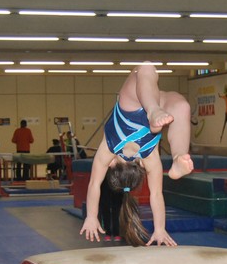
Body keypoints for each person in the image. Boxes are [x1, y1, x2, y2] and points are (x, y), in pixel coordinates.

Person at [80, 62, 193, 247]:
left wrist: (159, 229)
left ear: (139, 167)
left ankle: (178, 156)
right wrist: (91, 217)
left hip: (156, 107)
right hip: (138, 108)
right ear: (111, 165)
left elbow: (156, 194)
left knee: (181, 107)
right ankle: (153, 113)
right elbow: (94, 184)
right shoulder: (109, 151)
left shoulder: (148, 158)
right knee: (146, 68)